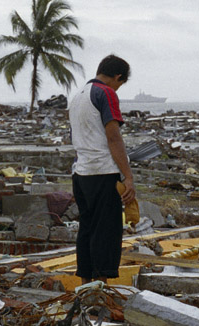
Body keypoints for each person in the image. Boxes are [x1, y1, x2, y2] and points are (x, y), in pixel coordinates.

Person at [69, 54, 135, 285]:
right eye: (120, 83)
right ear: (117, 76)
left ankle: (85, 284)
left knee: (86, 229)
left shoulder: (77, 96)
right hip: (103, 171)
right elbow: (114, 137)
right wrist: (128, 177)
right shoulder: (106, 93)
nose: (118, 89)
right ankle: (100, 287)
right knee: (106, 232)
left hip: (81, 173)